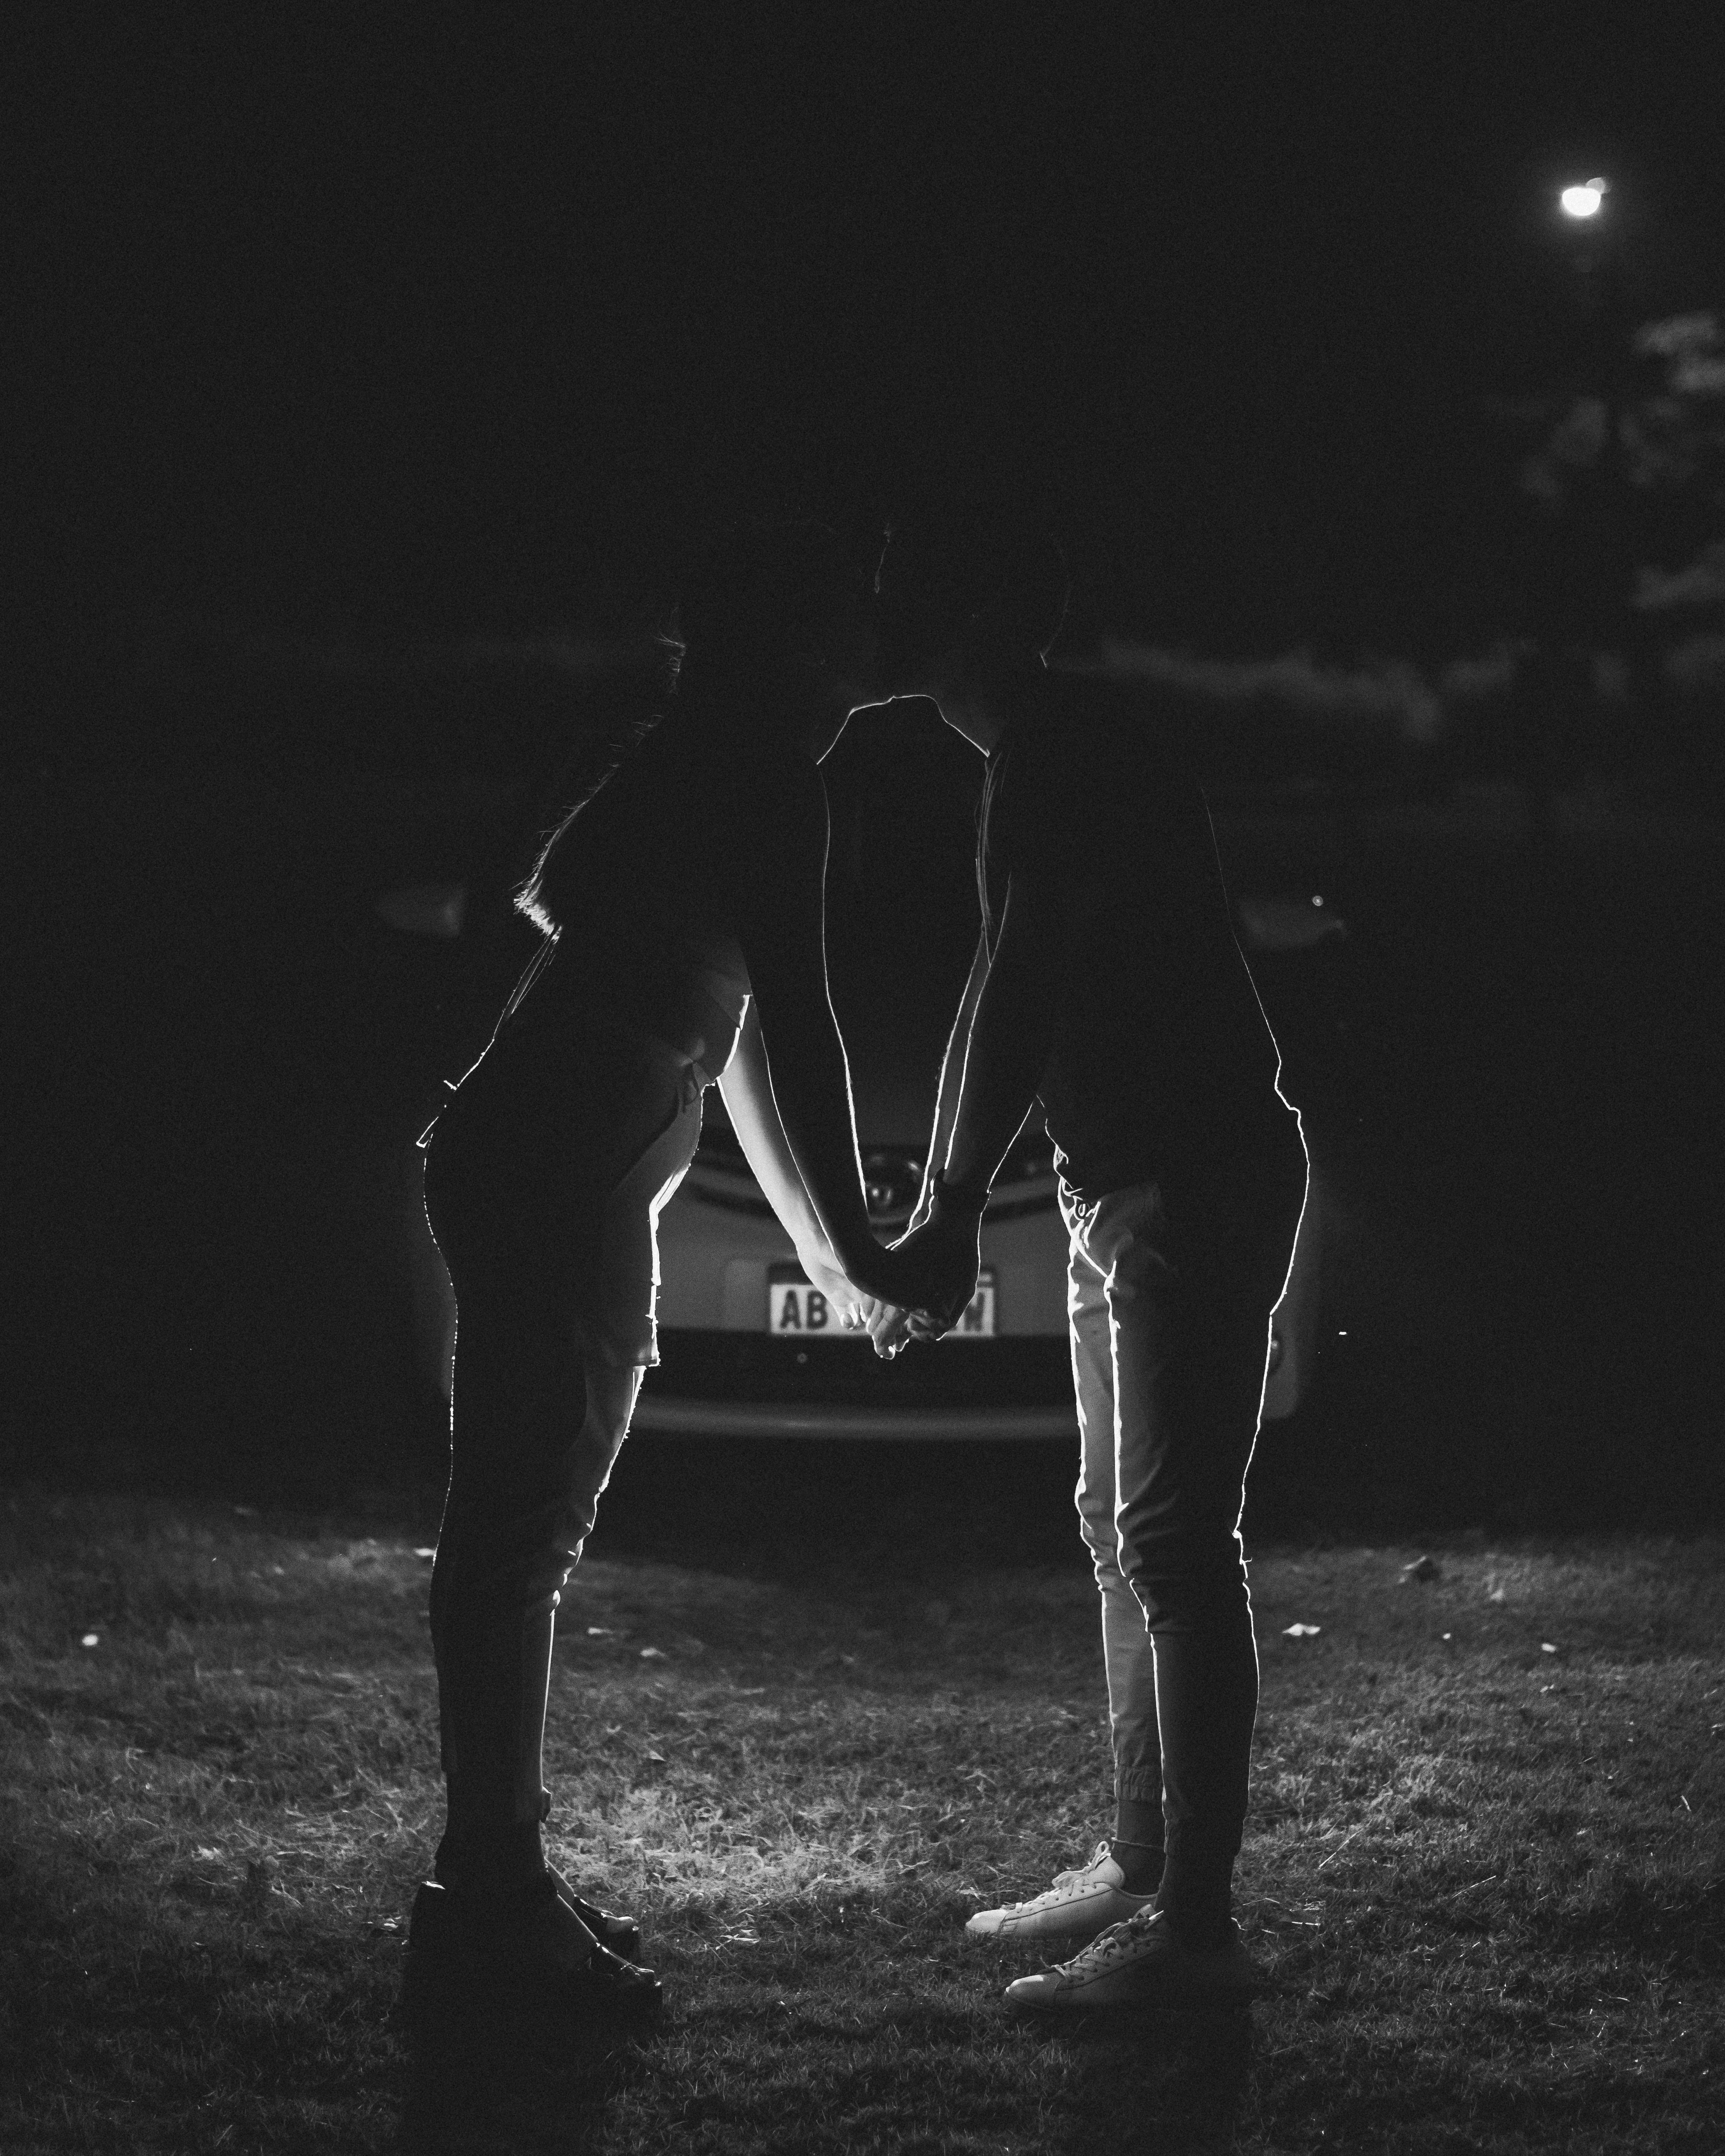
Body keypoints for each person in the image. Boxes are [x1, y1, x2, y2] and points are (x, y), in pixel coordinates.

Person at [404, 523, 913, 2043]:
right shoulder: (764, 777)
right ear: (801, 639)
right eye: (859, 602)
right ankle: (485, 1900)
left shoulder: (707, 765)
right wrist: (874, 1247)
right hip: (549, 1169)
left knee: (518, 1532)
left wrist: (832, 1247)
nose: (885, 627)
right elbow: (805, 1028)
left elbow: (742, 1030)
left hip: (547, 1161)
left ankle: (495, 1885)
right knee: (515, 1533)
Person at [870, 512, 1308, 2015]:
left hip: (1184, 1179)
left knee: (1177, 1545)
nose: (874, 612)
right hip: (1124, 1177)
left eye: (901, 588)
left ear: (975, 616)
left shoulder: (1059, 745)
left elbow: (1021, 977)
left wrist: (939, 1217)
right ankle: (1139, 1866)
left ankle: (1194, 1935)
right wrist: (944, 1205)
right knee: (1119, 1528)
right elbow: (1005, 978)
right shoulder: (1050, 740)